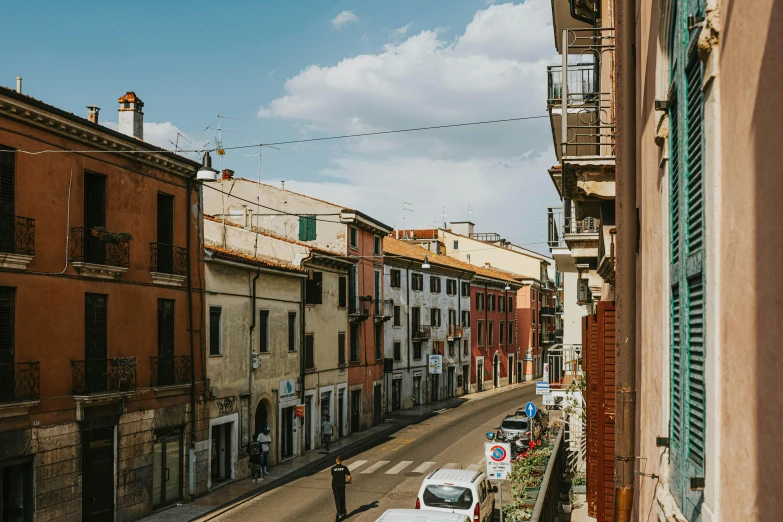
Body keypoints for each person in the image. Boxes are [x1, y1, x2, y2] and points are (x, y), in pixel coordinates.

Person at [330, 456, 351, 520]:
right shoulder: (344, 468)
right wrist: (349, 481)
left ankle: (339, 512)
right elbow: (349, 476)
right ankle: (343, 510)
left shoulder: (333, 468)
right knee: (342, 497)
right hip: (342, 485)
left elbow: (333, 474)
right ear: (341, 461)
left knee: (337, 499)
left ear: (336, 460)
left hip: (335, 485)